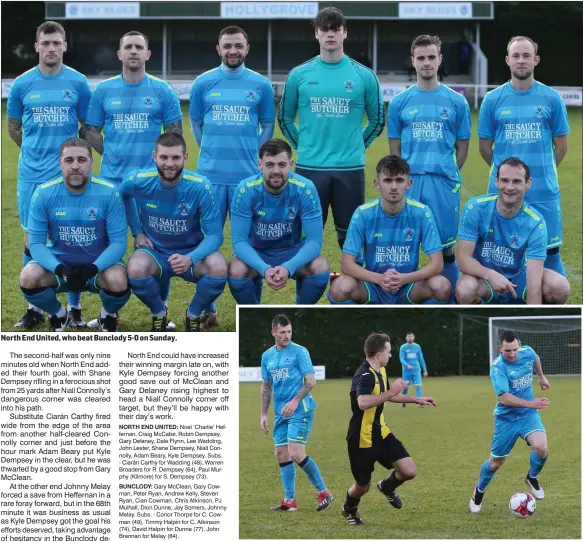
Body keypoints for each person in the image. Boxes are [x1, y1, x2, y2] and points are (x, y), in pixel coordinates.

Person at [84, 30, 183, 328]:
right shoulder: (103, 91)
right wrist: (110, 153)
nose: (133, 52)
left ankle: (162, 309)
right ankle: (108, 312)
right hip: (111, 182)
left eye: (139, 47)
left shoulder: (162, 90)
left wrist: (160, 165)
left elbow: (174, 133)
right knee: (107, 246)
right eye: (128, 47)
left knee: (155, 246)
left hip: (151, 185)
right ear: (119, 54)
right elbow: (90, 131)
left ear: (148, 54)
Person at [7, 20, 92, 329]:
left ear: (65, 46)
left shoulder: (79, 83)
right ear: (37, 47)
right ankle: (35, 309)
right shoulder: (22, 84)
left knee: (70, 239)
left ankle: (75, 308)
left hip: (68, 178)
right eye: (46, 43)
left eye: (57, 43)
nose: (52, 48)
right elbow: (14, 128)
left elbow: (86, 128)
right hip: (32, 176)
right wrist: (36, 154)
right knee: (32, 241)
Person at [278, 6, 384, 249]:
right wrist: (303, 144)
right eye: (324, 29)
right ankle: (306, 286)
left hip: (350, 169)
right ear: (316, 33)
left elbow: (377, 120)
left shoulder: (364, 76)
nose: (330, 34)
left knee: (351, 241)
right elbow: (285, 119)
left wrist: (356, 144)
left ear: (345, 33)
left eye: (335, 29)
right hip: (309, 168)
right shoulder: (299, 75)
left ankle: (351, 287)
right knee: (303, 239)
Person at [388, 34, 472, 301]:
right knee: (405, 246)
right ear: (413, 61)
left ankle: (448, 300)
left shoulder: (457, 102)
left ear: (440, 59)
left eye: (431, 57)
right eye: (421, 58)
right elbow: (395, 151)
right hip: (410, 184)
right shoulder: (399, 103)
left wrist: (445, 174)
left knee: (446, 249)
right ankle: (403, 299)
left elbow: (462, 150)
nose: (426, 62)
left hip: (442, 183)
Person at [478, 36, 569, 277]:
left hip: (543, 192)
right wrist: (507, 178)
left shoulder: (552, 98)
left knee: (550, 253)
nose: (521, 60)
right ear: (507, 60)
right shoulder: (492, 99)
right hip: (502, 192)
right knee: (500, 253)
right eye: (516, 56)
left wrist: (540, 173)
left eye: (526, 55)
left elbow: (561, 146)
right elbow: (485, 147)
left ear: (536, 60)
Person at [19, 138, 130, 332]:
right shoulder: (43, 193)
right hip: (61, 267)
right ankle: (59, 314)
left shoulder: (109, 192)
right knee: (28, 276)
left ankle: (106, 315)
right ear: (59, 163)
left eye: (82, 160)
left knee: (119, 280)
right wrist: (59, 269)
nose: (76, 166)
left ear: (91, 162)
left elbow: (119, 244)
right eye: (69, 160)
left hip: (98, 268)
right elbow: (35, 244)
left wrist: (92, 269)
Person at [122, 133, 227, 332]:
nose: (169, 163)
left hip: (191, 252)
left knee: (219, 267)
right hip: (155, 252)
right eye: (164, 157)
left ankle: (193, 314)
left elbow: (215, 235)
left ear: (185, 157)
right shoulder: (136, 180)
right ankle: (159, 314)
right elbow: (123, 197)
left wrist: (191, 257)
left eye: (176, 158)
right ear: (154, 156)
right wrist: (137, 232)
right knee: (136, 268)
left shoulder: (200, 186)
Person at [342, 332, 437, 525]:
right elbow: (362, 402)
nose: (390, 355)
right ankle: (349, 508)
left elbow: (388, 395)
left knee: (409, 470)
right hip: (361, 438)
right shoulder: (365, 375)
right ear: (378, 354)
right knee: (362, 486)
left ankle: (386, 486)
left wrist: (416, 399)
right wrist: (392, 391)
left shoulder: (381, 370)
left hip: (381, 432)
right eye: (388, 352)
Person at [328, 155, 451, 305]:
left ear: (409, 184)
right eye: (387, 180)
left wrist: (403, 278)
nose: (394, 186)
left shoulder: (422, 213)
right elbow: (347, 264)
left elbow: (437, 264)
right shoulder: (363, 213)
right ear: (377, 183)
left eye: (399, 180)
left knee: (442, 286)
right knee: (340, 287)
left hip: (408, 286)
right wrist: (379, 279)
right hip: (372, 285)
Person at [189, 25, 275, 226]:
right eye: (227, 46)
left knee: (250, 236)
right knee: (208, 236)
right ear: (218, 49)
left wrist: (255, 152)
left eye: (238, 45)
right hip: (210, 175)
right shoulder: (202, 83)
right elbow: (195, 122)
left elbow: (268, 124)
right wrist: (210, 149)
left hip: (247, 175)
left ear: (247, 48)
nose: (233, 51)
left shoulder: (261, 84)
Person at [456, 157, 570, 304]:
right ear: (496, 181)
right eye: (504, 180)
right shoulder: (475, 209)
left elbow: (534, 284)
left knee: (560, 287)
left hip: (518, 278)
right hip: (484, 279)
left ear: (528, 183)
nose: (509, 187)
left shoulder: (536, 222)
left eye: (516, 181)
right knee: (465, 289)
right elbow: (463, 259)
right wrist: (490, 274)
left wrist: (532, 317)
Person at [228, 139, 330, 305]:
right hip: (257, 251)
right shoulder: (246, 189)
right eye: (270, 164)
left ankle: (299, 314)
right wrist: (264, 268)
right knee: (236, 269)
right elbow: (239, 242)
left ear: (291, 164)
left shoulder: (305, 188)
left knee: (320, 267)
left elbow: (314, 241)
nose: (276, 171)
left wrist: (289, 267)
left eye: (282, 164)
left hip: (293, 250)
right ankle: (252, 315)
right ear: (259, 164)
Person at [470, 330, 551, 512]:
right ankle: (479, 490)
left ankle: (532, 477)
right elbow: (505, 398)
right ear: (500, 349)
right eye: (508, 351)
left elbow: (535, 357)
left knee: (541, 447)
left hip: (528, 416)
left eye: (515, 349)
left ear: (519, 346)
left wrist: (541, 376)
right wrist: (531, 403)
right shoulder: (498, 367)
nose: (513, 354)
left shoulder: (527, 352)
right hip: (507, 419)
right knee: (495, 463)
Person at [260, 314, 333, 512]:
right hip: (280, 413)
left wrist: (294, 401)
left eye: (289, 331)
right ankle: (289, 500)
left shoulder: (300, 352)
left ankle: (324, 492)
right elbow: (266, 386)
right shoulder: (267, 356)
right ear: (274, 332)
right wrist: (263, 414)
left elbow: (310, 381)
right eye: (282, 332)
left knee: (295, 453)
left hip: (301, 410)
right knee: (281, 453)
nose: (287, 335)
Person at [399, 332, 428, 408]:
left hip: (416, 370)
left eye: (411, 336)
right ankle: (403, 401)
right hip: (406, 371)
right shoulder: (403, 347)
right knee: (405, 387)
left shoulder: (417, 347)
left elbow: (421, 358)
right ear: (406, 338)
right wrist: (407, 365)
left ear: (414, 337)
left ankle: (420, 403)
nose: (410, 338)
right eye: (408, 336)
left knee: (418, 386)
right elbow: (401, 358)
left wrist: (425, 370)